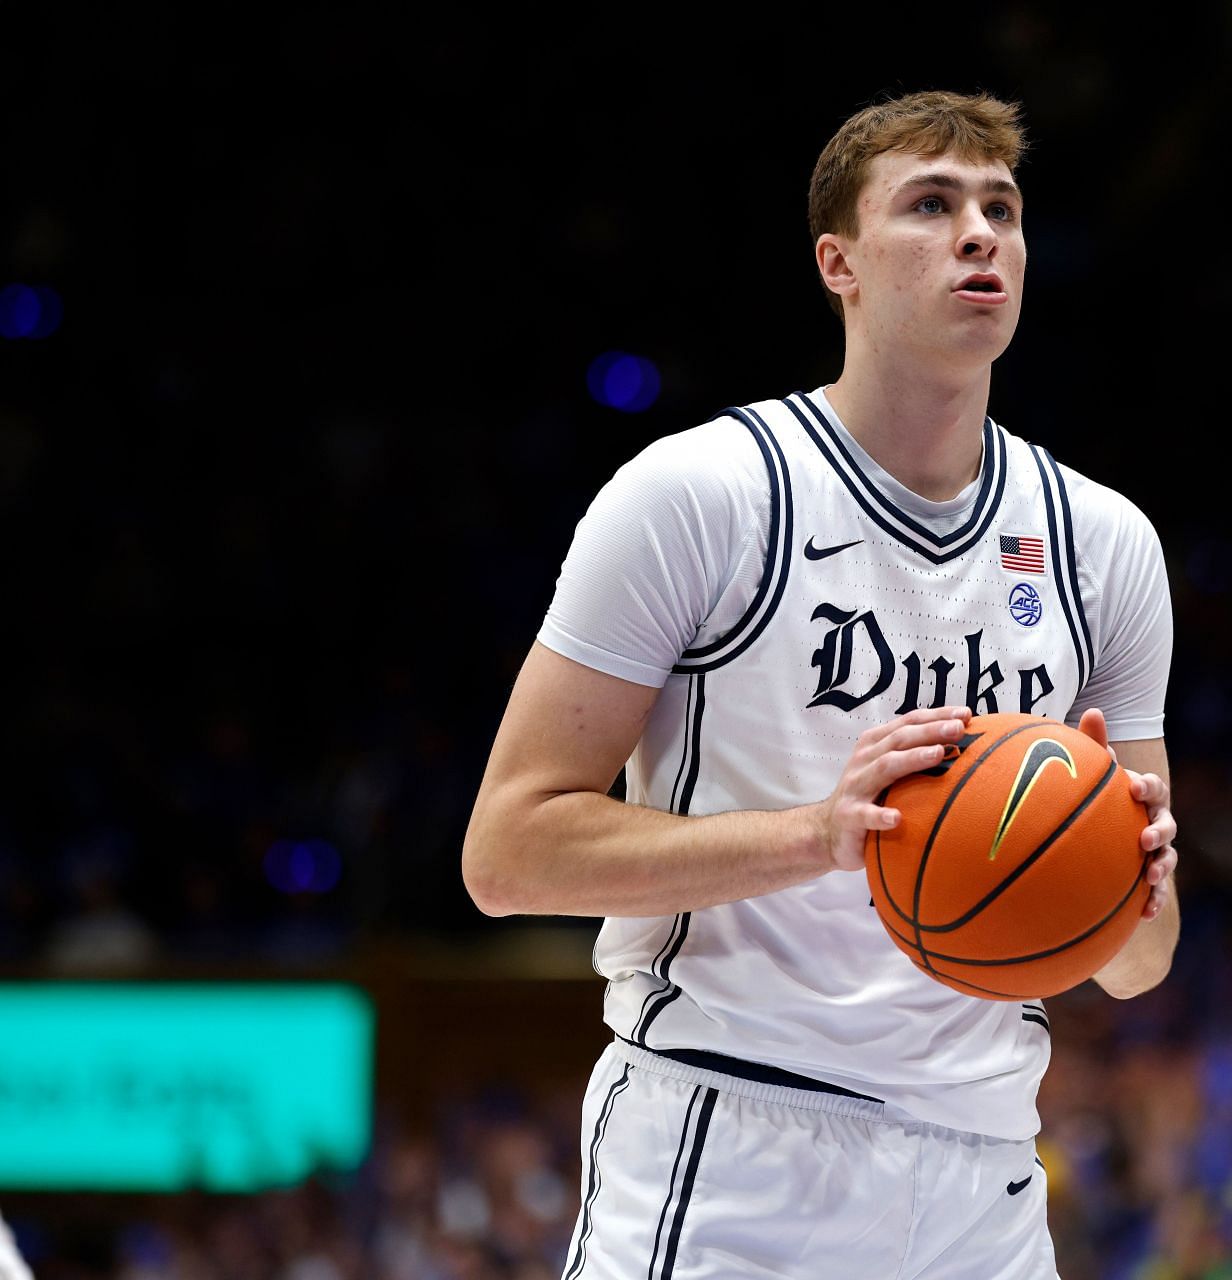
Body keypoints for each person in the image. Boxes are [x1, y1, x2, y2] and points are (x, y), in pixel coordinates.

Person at [463, 89, 1179, 1279]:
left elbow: (1137, 961)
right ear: (837, 263)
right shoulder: (701, 495)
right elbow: (506, 852)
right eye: (932, 204)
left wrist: (1132, 876)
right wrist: (819, 836)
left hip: (986, 1174)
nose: (979, 234)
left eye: (1001, 208)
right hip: (729, 1144)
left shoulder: (1102, 543)